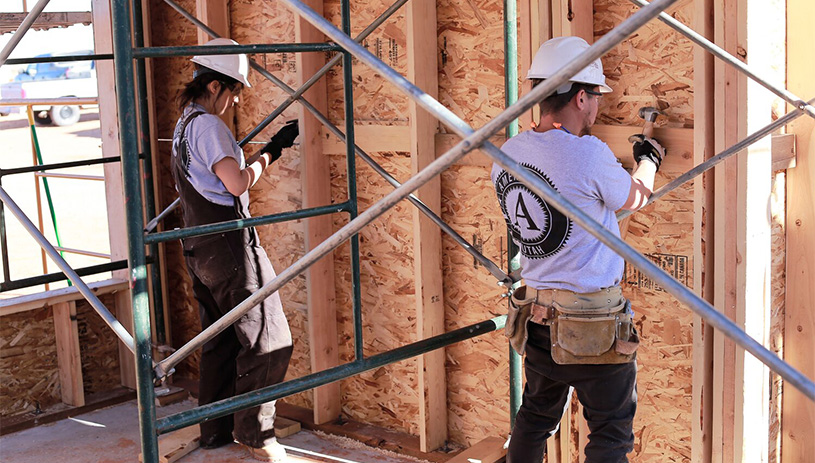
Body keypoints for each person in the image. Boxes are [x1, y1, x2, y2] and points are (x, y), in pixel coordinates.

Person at [492, 36, 666, 462]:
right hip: (593, 323)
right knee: (609, 434)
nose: (597, 109)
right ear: (581, 96)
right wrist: (649, 160)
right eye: (596, 99)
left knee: (534, 418)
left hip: (536, 320)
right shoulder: (588, 154)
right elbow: (635, 197)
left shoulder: (507, 154)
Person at [171, 38, 298, 462]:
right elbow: (237, 183)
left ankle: (215, 430)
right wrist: (272, 152)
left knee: (222, 340)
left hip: (198, 248)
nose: (236, 98)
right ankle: (256, 435)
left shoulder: (184, 124)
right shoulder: (208, 126)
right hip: (229, 249)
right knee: (269, 338)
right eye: (233, 89)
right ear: (213, 86)